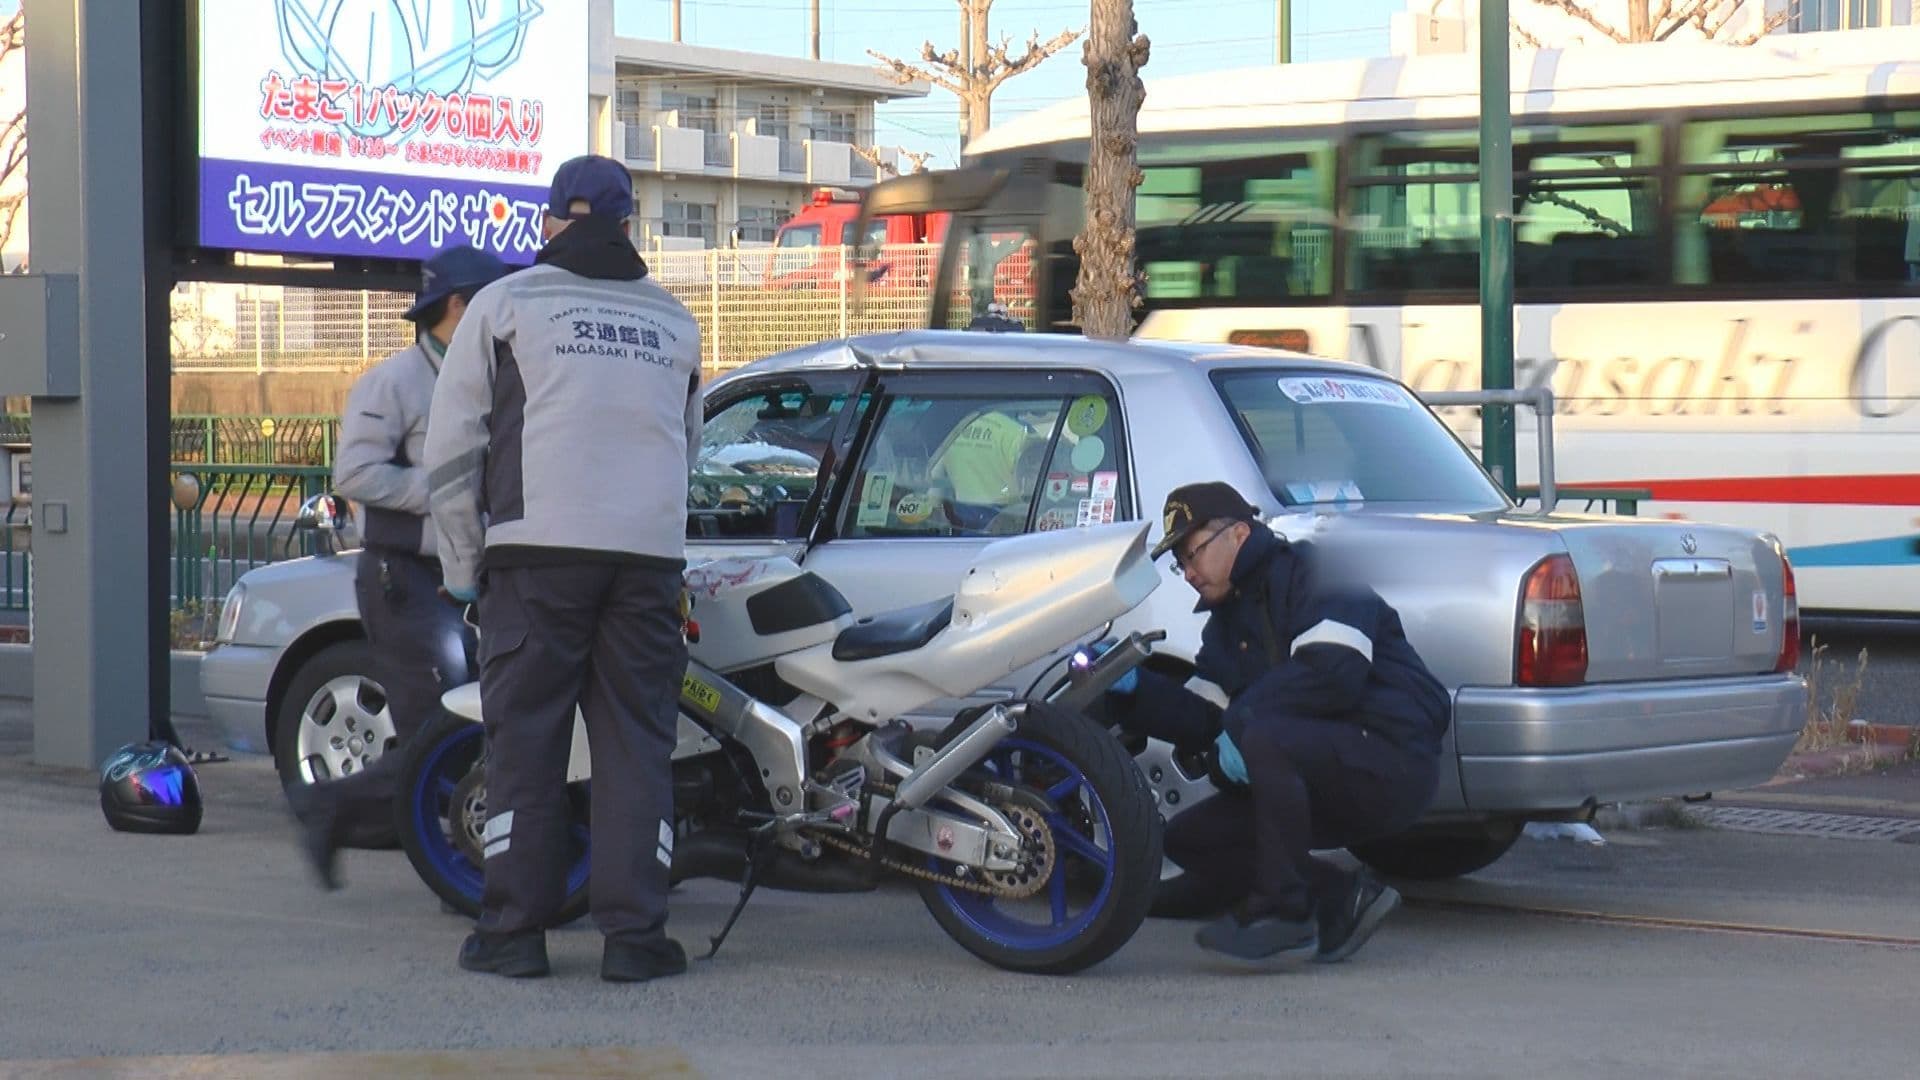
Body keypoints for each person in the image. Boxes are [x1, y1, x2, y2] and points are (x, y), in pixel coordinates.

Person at [424, 155, 703, 983]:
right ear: (628, 224)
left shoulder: (506, 305)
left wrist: (467, 570)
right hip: (647, 563)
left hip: (535, 559)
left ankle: (513, 933)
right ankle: (636, 940)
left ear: (551, 221)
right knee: (636, 748)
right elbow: (685, 446)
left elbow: (450, 456)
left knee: (528, 746)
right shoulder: (676, 321)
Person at [1100, 481, 1451, 968]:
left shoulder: (1316, 574)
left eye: (1193, 553)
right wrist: (1135, 690)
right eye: (1180, 563)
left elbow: (1333, 671)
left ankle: (1282, 915)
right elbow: (1205, 716)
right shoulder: (1225, 627)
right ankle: (1339, 900)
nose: (1189, 573)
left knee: (1265, 733)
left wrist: (1243, 724)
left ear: (1239, 533)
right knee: (1189, 838)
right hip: (1321, 770)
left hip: (1391, 761)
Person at [291, 243, 510, 885]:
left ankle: (353, 818)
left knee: (469, 728)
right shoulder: (394, 381)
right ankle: (335, 807)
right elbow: (353, 472)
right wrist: (444, 492)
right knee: (440, 734)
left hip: (473, 576)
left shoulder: (487, 376)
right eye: (489, 303)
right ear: (457, 306)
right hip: (406, 581)